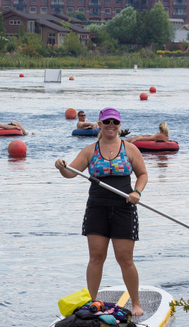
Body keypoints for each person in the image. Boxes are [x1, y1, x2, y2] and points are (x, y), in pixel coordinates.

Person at [55, 107, 148, 315]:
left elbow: (142, 175)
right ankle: (93, 302)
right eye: (107, 122)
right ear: (100, 124)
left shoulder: (130, 149)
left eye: (115, 122)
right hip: (97, 208)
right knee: (96, 257)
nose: (111, 126)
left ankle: (136, 304)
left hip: (124, 207)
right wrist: (61, 167)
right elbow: (70, 173)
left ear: (119, 125)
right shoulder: (90, 150)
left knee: (125, 259)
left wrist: (137, 192)